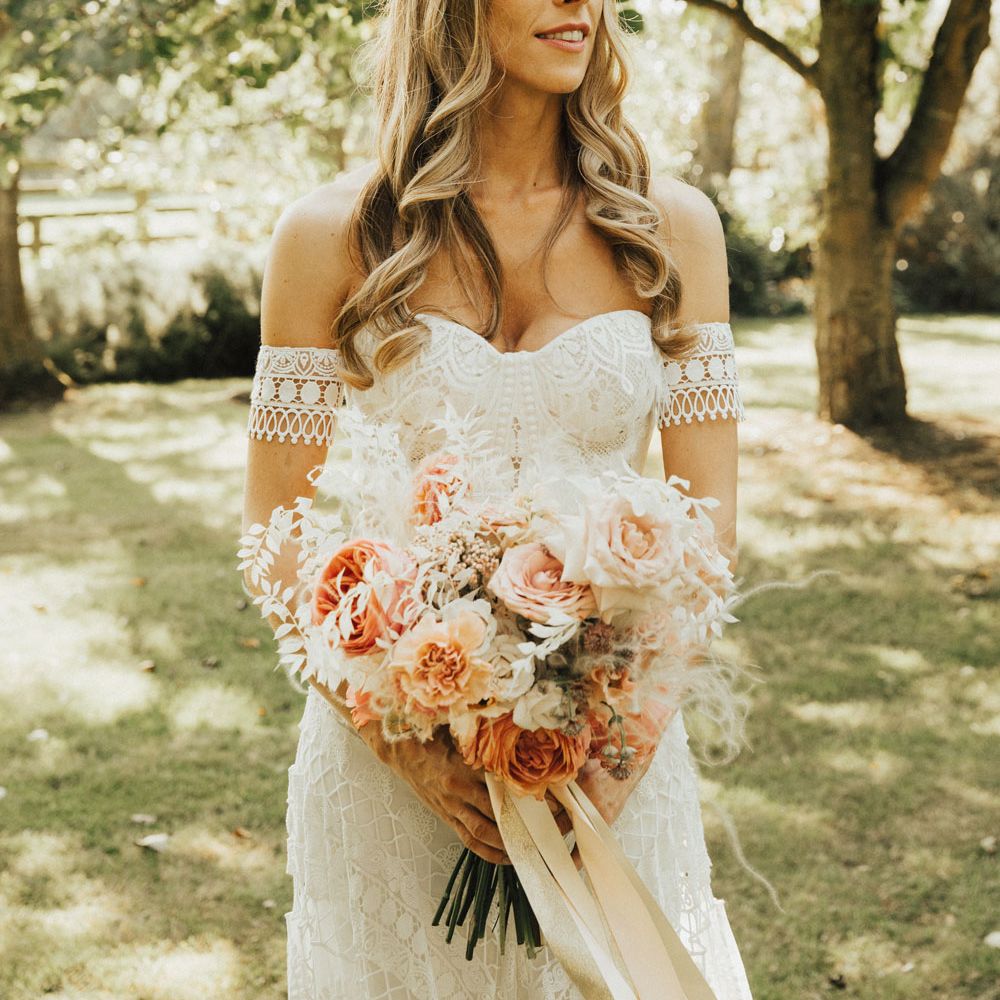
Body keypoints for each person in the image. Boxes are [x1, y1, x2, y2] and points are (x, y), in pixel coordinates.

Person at [240, 0, 755, 996]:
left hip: (613, 756)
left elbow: (710, 517)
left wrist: (620, 746)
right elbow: (275, 534)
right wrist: (405, 748)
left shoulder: (671, 225)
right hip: (394, 769)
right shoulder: (329, 234)